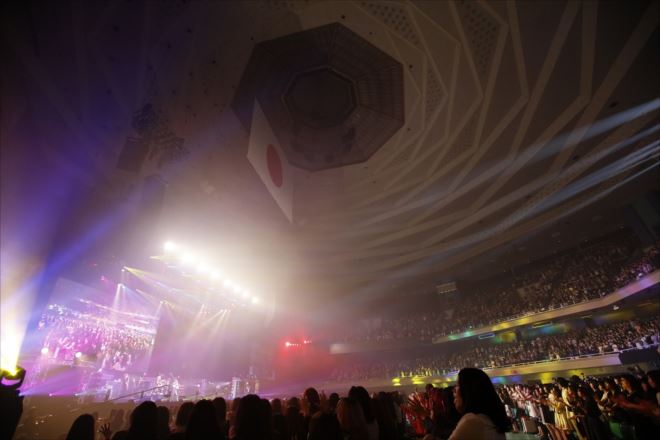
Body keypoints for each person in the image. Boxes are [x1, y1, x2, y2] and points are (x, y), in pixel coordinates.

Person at [448, 368, 511, 440]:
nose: (454, 391)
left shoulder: (472, 421)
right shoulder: (487, 420)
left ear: (468, 391)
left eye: (457, 385)